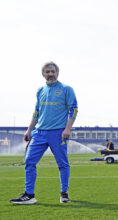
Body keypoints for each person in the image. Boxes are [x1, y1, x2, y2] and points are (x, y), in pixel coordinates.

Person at [10, 62, 78, 205]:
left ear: (57, 73)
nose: (50, 74)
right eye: (47, 72)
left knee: (63, 164)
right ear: (43, 74)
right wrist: (29, 130)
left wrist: (68, 129)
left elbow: (74, 109)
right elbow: (36, 112)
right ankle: (29, 195)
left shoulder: (66, 89)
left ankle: (64, 193)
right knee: (29, 162)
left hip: (58, 133)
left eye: (53, 71)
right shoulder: (40, 90)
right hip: (39, 133)